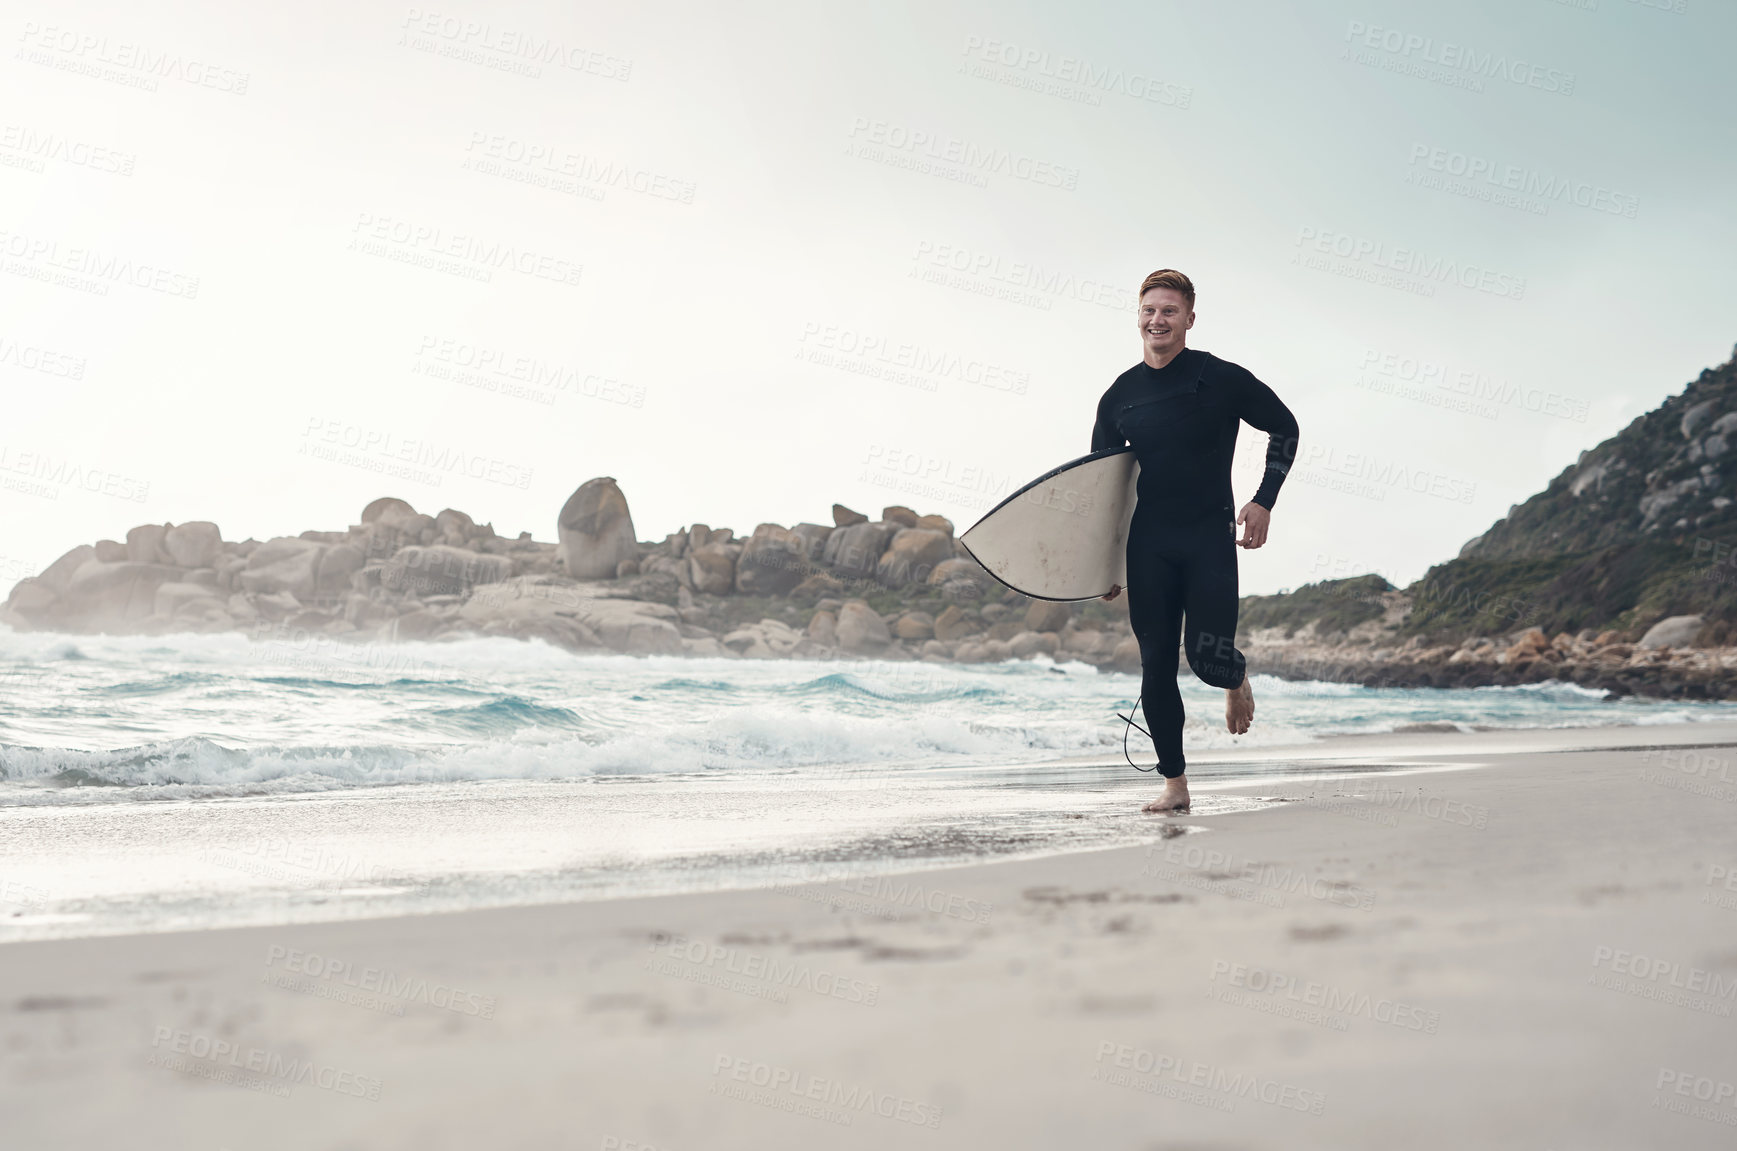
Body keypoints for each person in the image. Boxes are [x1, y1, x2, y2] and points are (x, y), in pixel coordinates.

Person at [1093, 269, 1299, 813]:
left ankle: (1236, 679)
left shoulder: (1220, 378)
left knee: (1206, 661)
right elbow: (1101, 487)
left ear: (1188, 318)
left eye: (1168, 311)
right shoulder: (1119, 397)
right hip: (1149, 543)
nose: (1157, 320)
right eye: (1149, 310)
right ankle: (1174, 786)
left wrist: (1264, 500)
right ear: (1138, 316)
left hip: (1209, 536)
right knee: (1155, 662)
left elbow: (1285, 427)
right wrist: (1102, 565)